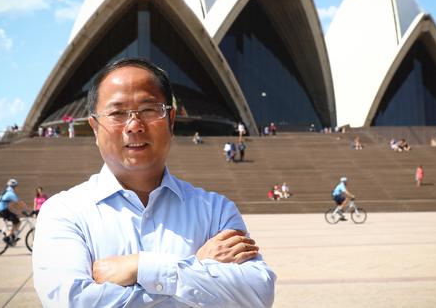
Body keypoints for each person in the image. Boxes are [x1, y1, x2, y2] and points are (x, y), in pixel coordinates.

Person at [32, 58, 275, 307]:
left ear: (171, 120)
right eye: (117, 113)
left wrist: (141, 267)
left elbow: (257, 295)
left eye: (148, 110)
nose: (134, 125)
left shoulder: (216, 210)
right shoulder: (64, 212)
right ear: (95, 127)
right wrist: (194, 268)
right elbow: (74, 302)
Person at [0, 179, 30, 245]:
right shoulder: (10, 193)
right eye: (15, 186)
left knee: (15, 218)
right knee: (18, 222)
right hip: (3, 210)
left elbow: (9, 206)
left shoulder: (5, 192)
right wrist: (29, 209)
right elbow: (19, 202)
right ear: (14, 186)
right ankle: (7, 237)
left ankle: (12, 236)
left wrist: (17, 212)